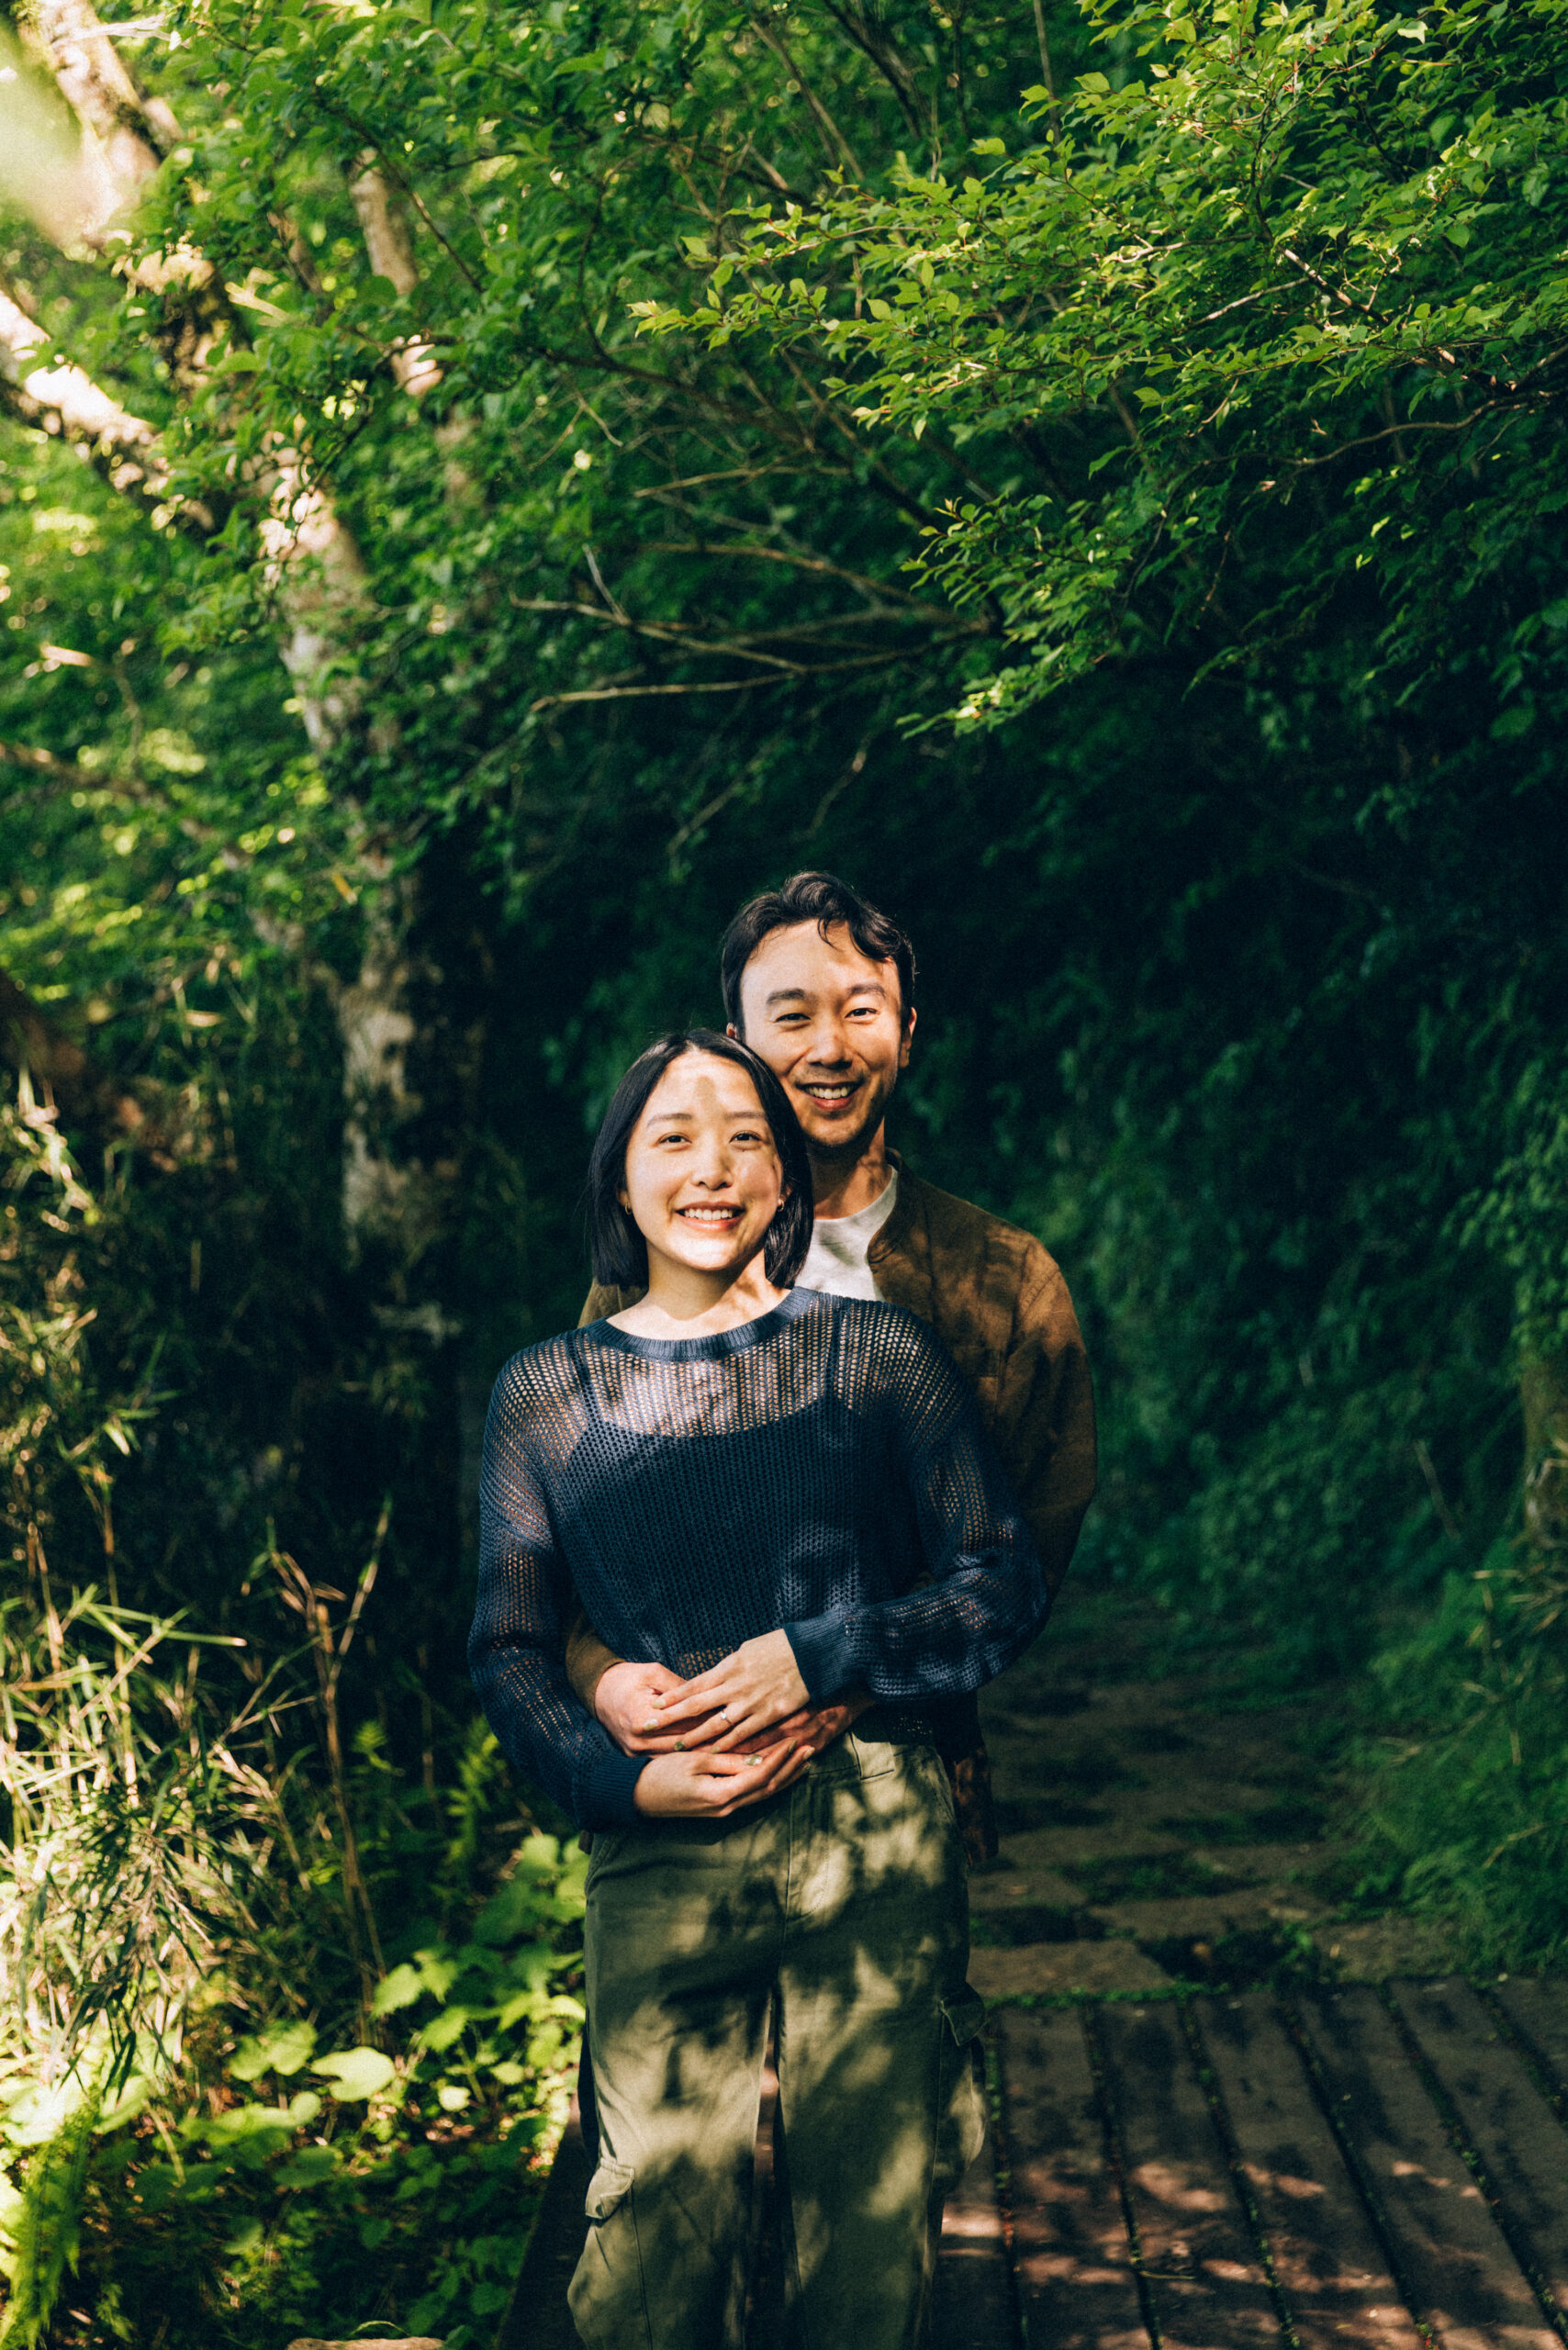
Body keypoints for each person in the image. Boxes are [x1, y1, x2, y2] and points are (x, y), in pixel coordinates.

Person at [469, 1030, 1055, 2349]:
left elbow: (999, 1584)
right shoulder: (545, 1394)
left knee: (869, 2252)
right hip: (659, 1849)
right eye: (673, 1137)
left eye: (746, 1138)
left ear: (787, 1176)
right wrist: (627, 1779)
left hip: (872, 1832)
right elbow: (509, 1647)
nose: (713, 1168)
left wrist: (819, 1653)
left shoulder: (878, 1357)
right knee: (648, 2260)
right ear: (620, 1177)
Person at [566, 872, 1097, 1864]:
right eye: (792, 1016)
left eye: (860, 1011)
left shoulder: (1002, 1283)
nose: (829, 1048)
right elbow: (573, 1544)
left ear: (907, 1031)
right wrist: (605, 1681)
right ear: (736, 1040)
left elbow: (1021, 1559)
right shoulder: (658, 1266)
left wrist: (841, 1674)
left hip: (909, 1795)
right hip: (682, 1793)